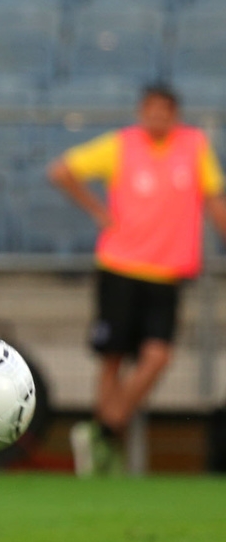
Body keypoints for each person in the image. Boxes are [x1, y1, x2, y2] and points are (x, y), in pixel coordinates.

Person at [48, 84, 226, 476]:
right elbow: (61, 170)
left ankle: (104, 430)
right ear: (142, 111)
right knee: (111, 358)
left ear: (175, 114)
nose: (157, 118)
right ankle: (104, 453)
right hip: (120, 265)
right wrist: (97, 210)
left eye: (164, 111)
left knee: (157, 355)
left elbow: (214, 199)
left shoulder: (194, 146)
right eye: (151, 110)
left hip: (169, 271)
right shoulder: (122, 145)